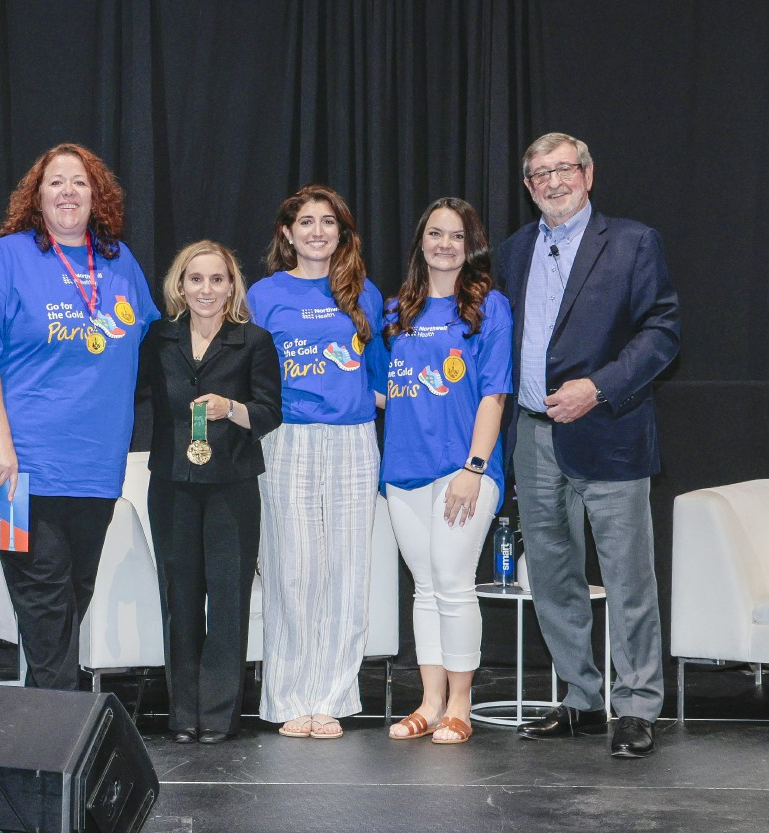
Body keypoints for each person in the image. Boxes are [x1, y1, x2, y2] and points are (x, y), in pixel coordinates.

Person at [0, 142, 160, 690]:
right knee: (41, 599)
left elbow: (150, 344)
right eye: (56, 182)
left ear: (97, 197)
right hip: (16, 467)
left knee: (74, 592)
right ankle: (55, 732)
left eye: (80, 182)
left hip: (96, 463)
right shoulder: (8, 256)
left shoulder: (120, 261)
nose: (68, 191)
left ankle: (48, 721)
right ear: (36, 197)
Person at [499, 133, 680, 758]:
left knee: (628, 578)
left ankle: (635, 707)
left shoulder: (632, 242)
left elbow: (662, 333)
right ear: (528, 187)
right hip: (533, 436)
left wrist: (597, 389)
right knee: (552, 577)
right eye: (539, 174)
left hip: (609, 433)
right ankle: (580, 697)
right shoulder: (515, 250)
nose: (553, 181)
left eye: (564, 169)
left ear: (588, 175)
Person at [371, 198, 512, 745]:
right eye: (435, 233)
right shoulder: (393, 312)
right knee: (425, 589)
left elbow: (494, 395)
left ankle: (460, 704)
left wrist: (474, 467)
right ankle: (430, 702)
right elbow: (385, 391)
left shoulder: (488, 307)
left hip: (465, 470)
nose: (445, 244)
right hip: (403, 470)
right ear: (421, 242)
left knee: (453, 583)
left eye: (457, 236)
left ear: (471, 245)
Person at [246, 184, 382, 739]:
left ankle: (331, 698)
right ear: (287, 232)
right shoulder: (262, 294)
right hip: (287, 440)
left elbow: (378, 378)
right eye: (307, 222)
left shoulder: (363, 293)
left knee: (345, 572)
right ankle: (287, 698)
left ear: (342, 234)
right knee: (292, 570)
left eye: (329, 222)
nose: (318, 231)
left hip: (352, 440)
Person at [137, 241, 281, 744]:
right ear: (180, 285)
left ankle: (219, 716)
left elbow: (269, 412)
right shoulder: (157, 339)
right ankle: (184, 714)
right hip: (172, 485)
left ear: (231, 286)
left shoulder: (254, 341)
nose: (206, 289)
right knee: (178, 599)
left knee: (228, 601)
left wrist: (230, 408)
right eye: (195, 279)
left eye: (216, 279)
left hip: (233, 488)